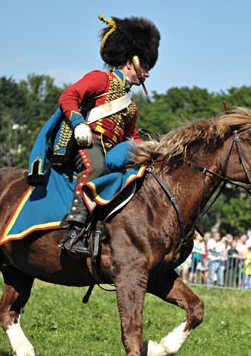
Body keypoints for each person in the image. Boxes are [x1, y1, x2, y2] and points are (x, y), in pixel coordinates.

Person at [26, 14, 160, 257]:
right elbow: (69, 96)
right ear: (132, 62)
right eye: (147, 67)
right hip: (85, 142)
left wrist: (152, 147)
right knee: (96, 168)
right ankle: (74, 231)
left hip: (111, 150)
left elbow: (129, 137)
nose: (148, 74)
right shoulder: (101, 79)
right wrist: (79, 123)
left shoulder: (132, 106)